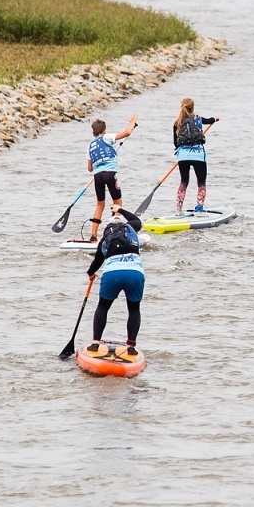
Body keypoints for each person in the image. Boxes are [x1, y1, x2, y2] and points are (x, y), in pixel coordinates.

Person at [85, 205, 146, 352]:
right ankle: (131, 346)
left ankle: (95, 343)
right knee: (134, 309)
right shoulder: (131, 228)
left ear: (108, 227)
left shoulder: (105, 239)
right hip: (135, 274)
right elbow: (136, 220)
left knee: (103, 307)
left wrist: (91, 274)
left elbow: (97, 262)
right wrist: (120, 209)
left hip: (113, 274)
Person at [87, 113, 137, 242]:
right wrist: (132, 122)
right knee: (117, 203)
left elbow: (90, 168)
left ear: (93, 132)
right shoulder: (107, 137)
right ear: (104, 130)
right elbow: (127, 133)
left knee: (100, 205)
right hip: (110, 174)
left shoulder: (90, 145)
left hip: (97, 176)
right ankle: (114, 232)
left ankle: (93, 236)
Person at [171, 98, 218, 213]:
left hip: (183, 157)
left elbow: (176, 143)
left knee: (184, 182)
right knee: (201, 182)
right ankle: (200, 207)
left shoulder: (177, 123)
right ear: (193, 108)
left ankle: (179, 209)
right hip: (199, 156)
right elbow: (209, 120)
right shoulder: (198, 119)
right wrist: (215, 119)